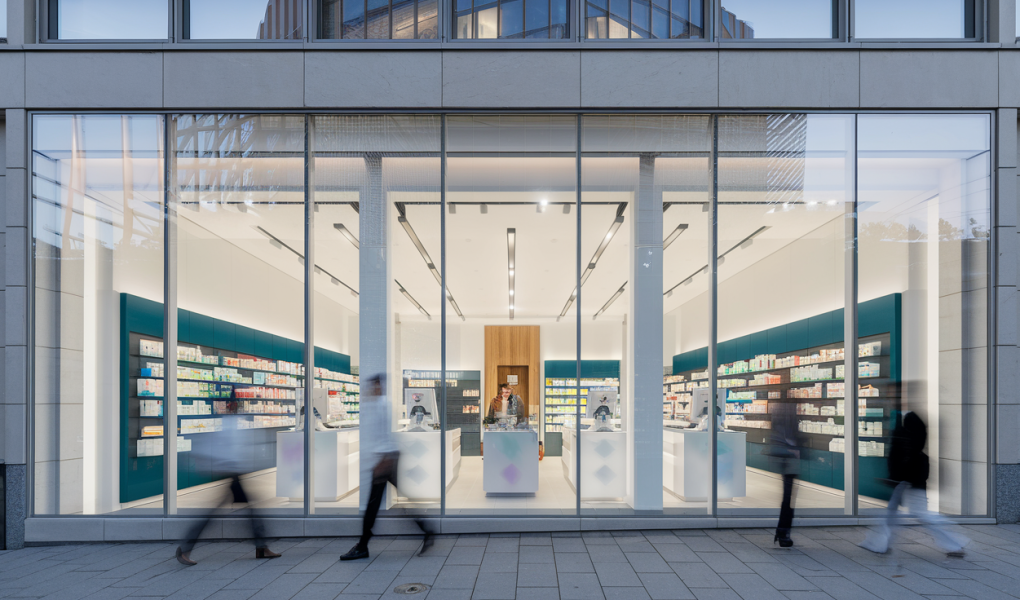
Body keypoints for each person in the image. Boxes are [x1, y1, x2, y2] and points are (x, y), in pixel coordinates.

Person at [341, 374, 432, 561]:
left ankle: (363, 545)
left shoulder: (382, 405)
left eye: (375, 386)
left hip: (385, 460)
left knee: (372, 505)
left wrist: (383, 460)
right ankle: (426, 529)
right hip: (383, 459)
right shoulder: (375, 405)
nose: (372, 389)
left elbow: (384, 435)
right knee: (383, 501)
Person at [859, 411, 969, 557]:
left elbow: (897, 459)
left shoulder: (904, 438)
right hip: (911, 482)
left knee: (920, 514)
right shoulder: (916, 443)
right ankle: (879, 543)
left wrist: (894, 478)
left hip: (907, 483)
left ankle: (955, 543)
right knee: (896, 514)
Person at [175, 419, 281, 565]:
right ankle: (185, 547)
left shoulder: (231, 421)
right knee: (243, 510)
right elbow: (225, 447)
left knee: (248, 510)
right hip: (230, 470)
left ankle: (261, 547)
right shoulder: (225, 422)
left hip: (232, 470)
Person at [770, 402, 802, 548]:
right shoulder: (787, 417)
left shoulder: (779, 415)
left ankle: (783, 532)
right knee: (788, 497)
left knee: (788, 497)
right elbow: (788, 437)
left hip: (786, 460)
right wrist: (794, 449)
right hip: (789, 460)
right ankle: (783, 533)